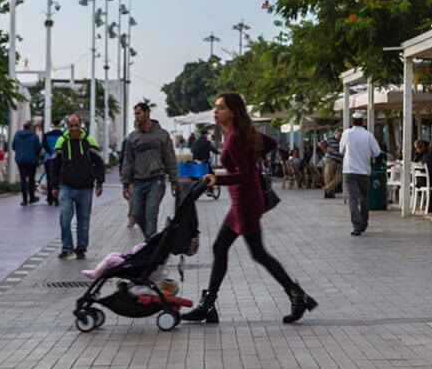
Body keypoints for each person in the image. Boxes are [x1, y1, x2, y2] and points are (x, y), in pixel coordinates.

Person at [183, 92, 317, 324]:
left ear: (233, 112)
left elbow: (244, 175)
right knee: (222, 248)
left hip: (246, 202)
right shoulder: (240, 135)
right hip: (242, 201)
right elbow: (270, 144)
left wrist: (219, 179)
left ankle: (296, 294)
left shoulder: (235, 138)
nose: (216, 112)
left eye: (221, 108)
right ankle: (209, 304)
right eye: (215, 107)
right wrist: (251, 156)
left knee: (256, 253)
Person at [121, 103, 179, 242]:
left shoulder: (162, 135)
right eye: (135, 114)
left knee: (151, 212)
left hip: (156, 180)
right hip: (138, 181)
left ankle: (150, 245)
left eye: (139, 113)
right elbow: (128, 161)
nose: (137, 116)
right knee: (136, 212)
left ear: (147, 113)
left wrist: (174, 180)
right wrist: (125, 183)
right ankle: (152, 238)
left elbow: (170, 158)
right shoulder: (132, 137)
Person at [53, 115, 105, 260]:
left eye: (77, 125)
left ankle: (81, 248)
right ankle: (67, 247)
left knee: (83, 220)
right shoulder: (61, 141)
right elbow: (54, 165)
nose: (74, 129)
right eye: (71, 126)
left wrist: (99, 183)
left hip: (85, 187)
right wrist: (54, 185)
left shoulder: (89, 141)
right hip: (65, 186)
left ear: (81, 125)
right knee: (65, 217)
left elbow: (99, 163)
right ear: (67, 127)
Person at [340, 113, 381, 236]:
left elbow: (341, 150)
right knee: (364, 197)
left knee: (352, 198)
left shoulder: (347, 133)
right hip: (364, 170)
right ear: (363, 122)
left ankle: (357, 224)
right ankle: (363, 222)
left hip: (349, 170)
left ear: (352, 122)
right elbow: (377, 152)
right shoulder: (368, 135)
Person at [11, 120, 44, 205]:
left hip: (21, 160)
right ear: (31, 127)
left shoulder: (17, 135)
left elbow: (13, 147)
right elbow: (38, 149)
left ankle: (24, 199)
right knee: (31, 179)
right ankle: (32, 197)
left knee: (23, 179)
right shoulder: (34, 136)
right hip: (31, 160)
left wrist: (20, 151)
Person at [317, 128, 344, 198]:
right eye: (339, 135)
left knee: (340, 177)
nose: (340, 137)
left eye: (342, 135)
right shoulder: (330, 139)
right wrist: (326, 150)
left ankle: (327, 189)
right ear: (336, 133)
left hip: (338, 161)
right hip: (330, 160)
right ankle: (329, 194)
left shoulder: (343, 141)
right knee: (328, 177)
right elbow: (320, 144)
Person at [42, 122, 64, 205]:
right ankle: (57, 198)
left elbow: (44, 145)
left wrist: (51, 153)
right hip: (61, 158)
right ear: (60, 126)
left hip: (48, 158)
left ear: (52, 126)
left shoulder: (46, 135)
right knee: (59, 177)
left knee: (49, 178)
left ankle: (50, 198)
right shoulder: (63, 135)